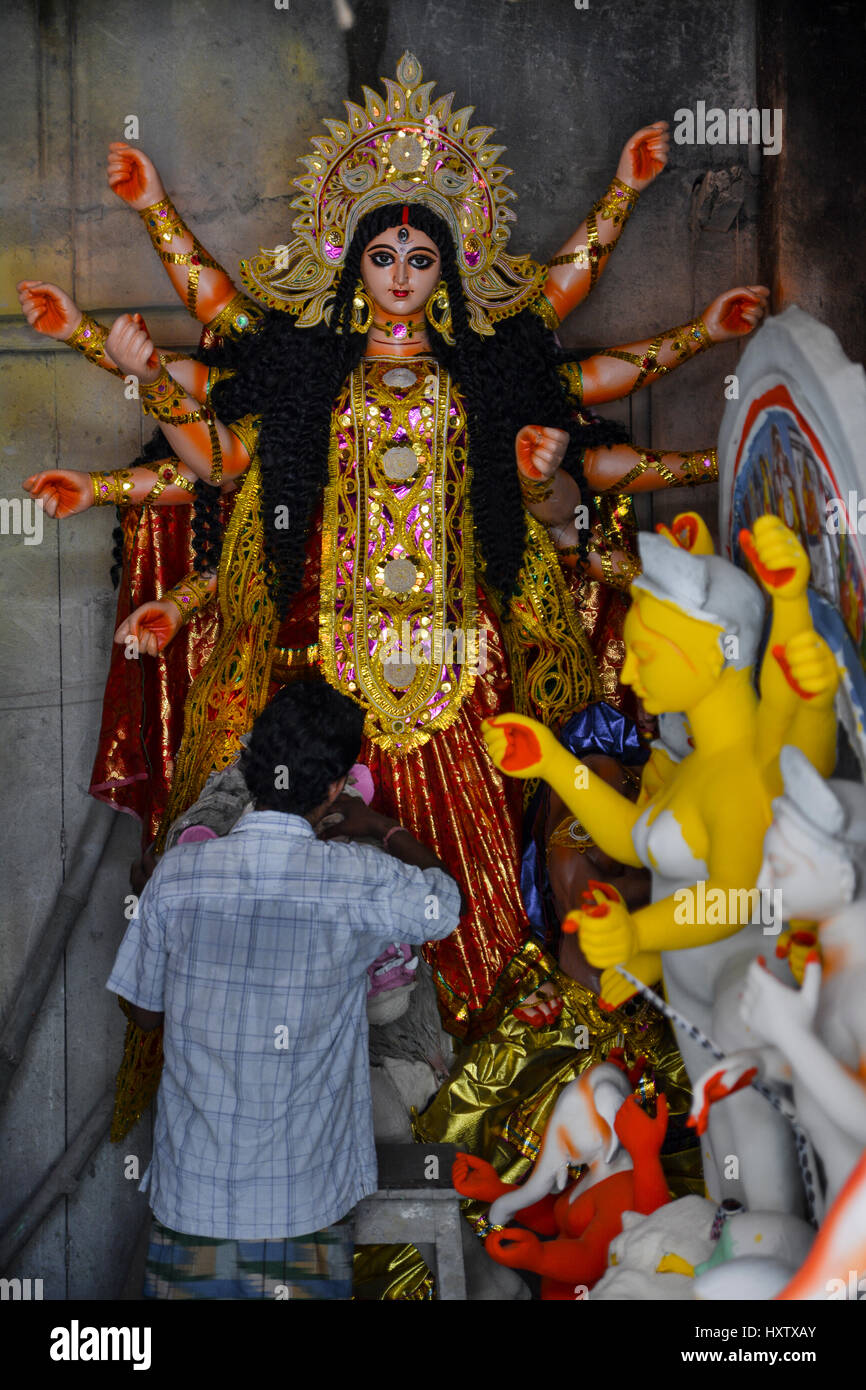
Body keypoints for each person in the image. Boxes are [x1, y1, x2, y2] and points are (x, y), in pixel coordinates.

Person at [18, 51, 769, 1044]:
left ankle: (510, 1066)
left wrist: (675, 290)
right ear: (352, 262)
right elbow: (219, 446)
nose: (402, 277)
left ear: (446, 267)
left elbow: (576, 344)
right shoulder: (307, 372)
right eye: (383, 258)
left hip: (464, 666)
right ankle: (348, 1057)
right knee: (340, 902)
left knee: (482, 902)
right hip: (339, 671)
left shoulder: (488, 368)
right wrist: (147, 331)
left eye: (421, 260)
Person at [106, 679, 462, 1299]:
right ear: (332, 789)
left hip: (196, 1198)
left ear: (250, 765)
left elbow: (141, 1012)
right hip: (307, 1204)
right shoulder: (357, 877)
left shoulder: (181, 875)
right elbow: (444, 904)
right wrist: (381, 826)